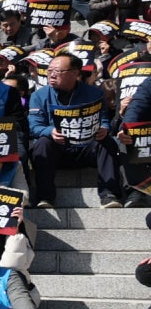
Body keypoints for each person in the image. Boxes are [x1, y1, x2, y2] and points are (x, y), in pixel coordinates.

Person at [29, 52, 123, 209]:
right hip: (57, 149)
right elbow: (34, 126)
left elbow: (104, 119)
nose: (51, 75)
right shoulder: (39, 95)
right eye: (49, 70)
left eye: (57, 71)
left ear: (74, 73)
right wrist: (50, 131)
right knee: (42, 144)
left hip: (86, 148)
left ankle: (110, 195)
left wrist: (104, 129)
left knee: (107, 141)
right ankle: (45, 198)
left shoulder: (95, 93)